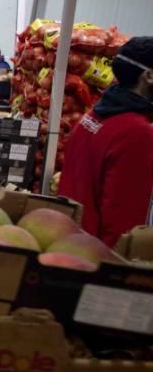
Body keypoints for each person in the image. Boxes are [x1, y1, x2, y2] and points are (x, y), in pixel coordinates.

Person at [59, 37, 153, 247]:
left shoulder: (94, 115)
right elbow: (123, 222)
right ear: (149, 76)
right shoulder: (137, 132)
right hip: (96, 258)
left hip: (69, 240)